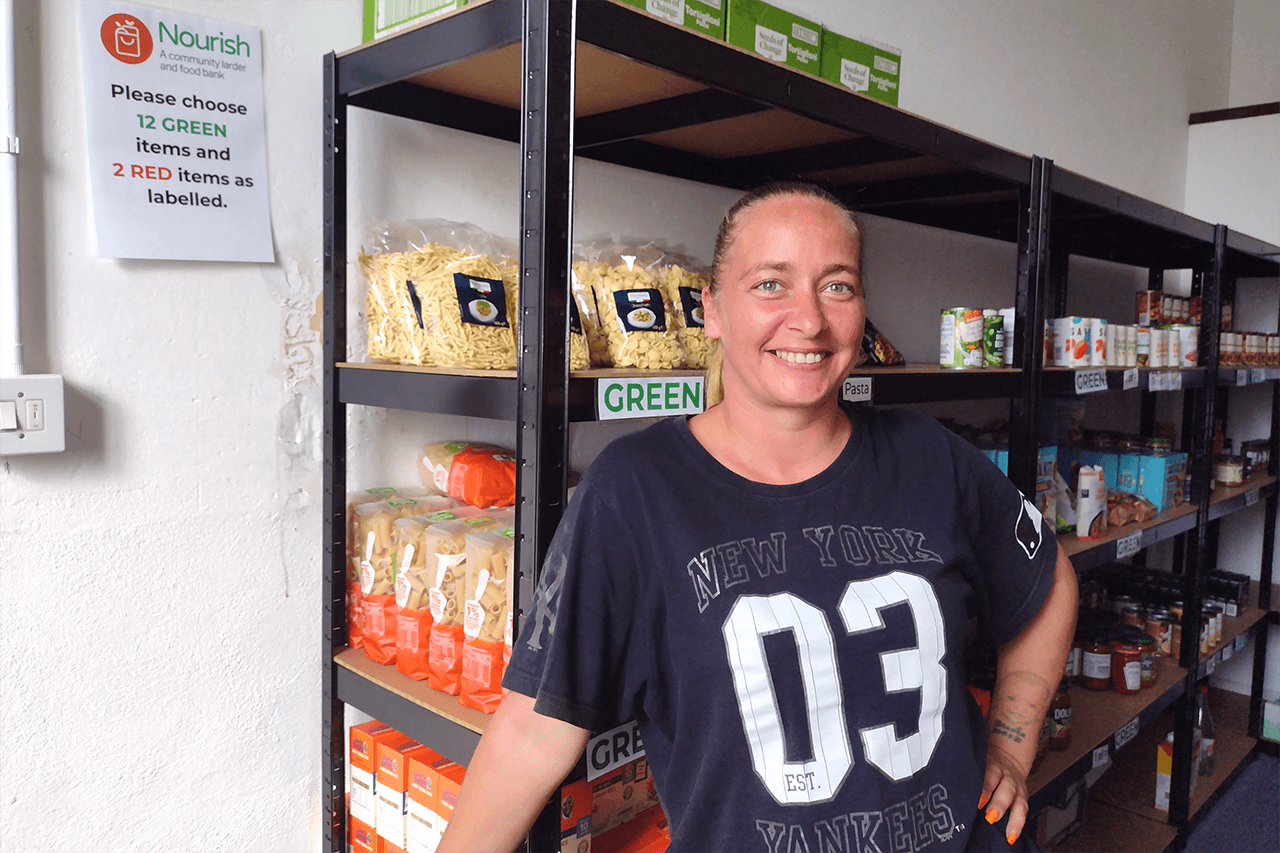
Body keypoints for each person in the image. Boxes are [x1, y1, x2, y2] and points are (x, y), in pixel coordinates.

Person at [439, 182, 1078, 853]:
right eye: (771, 284)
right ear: (711, 309)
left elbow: (1048, 579)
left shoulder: (928, 455)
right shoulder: (635, 491)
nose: (808, 319)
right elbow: (536, 730)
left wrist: (1010, 744)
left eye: (837, 286)